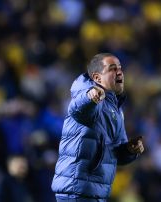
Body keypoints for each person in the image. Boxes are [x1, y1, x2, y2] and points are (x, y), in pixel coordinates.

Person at [51, 53, 144, 202]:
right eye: (112, 69)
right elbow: (78, 108)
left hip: (96, 193)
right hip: (77, 191)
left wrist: (129, 150)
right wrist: (90, 97)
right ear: (97, 78)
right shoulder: (86, 92)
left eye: (120, 68)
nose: (119, 72)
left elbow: (116, 154)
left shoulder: (116, 109)